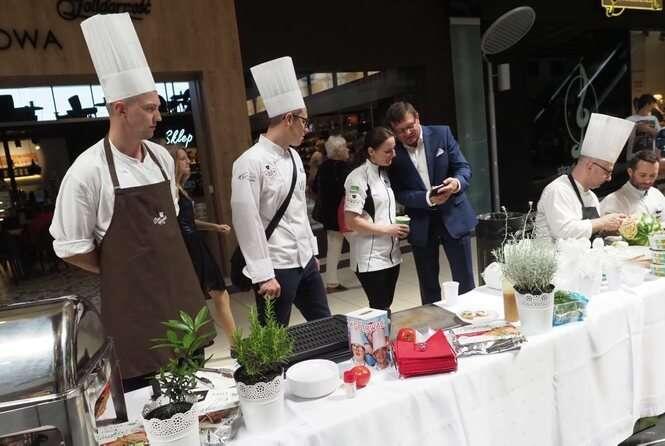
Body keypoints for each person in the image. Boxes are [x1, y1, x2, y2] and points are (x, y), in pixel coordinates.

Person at [49, 13, 205, 391]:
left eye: (157, 106)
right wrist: (122, 267)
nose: (158, 116)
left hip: (181, 301)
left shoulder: (161, 158)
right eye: (149, 108)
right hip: (134, 316)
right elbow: (71, 248)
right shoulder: (87, 172)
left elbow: (165, 224)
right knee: (148, 405)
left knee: (196, 395)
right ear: (120, 109)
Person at [231, 56, 331, 326]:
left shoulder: (295, 157)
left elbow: (298, 209)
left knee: (325, 325)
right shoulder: (248, 162)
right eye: (304, 122)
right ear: (289, 119)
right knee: (274, 339)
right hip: (275, 266)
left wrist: (312, 251)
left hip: (305, 259)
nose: (307, 129)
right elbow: (246, 221)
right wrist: (263, 274)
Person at [386, 101, 476, 304]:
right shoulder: (393, 152)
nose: (407, 133)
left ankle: (470, 317)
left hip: (453, 214)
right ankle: (432, 322)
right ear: (393, 131)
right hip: (421, 220)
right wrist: (427, 198)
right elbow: (399, 192)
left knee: (465, 280)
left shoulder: (441, 133)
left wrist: (456, 183)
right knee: (428, 286)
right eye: (401, 131)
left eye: (410, 126)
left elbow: (463, 168)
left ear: (417, 117)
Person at [170, 146, 237, 343]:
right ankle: (233, 344)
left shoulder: (179, 188)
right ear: (172, 163)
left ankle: (235, 343)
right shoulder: (172, 190)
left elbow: (188, 220)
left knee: (219, 292)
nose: (188, 162)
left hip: (195, 245)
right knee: (213, 294)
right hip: (188, 248)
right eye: (182, 159)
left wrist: (214, 227)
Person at [534, 113, 634, 241]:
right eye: (607, 172)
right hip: (553, 253)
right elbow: (564, 232)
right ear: (590, 165)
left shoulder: (592, 197)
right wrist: (602, 222)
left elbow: (590, 233)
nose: (609, 178)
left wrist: (611, 228)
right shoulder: (558, 190)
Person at [344, 127, 408, 312]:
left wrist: (399, 227)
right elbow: (351, 221)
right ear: (371, 151)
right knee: (379, 308)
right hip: (370, 258)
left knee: (385, 306)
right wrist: (388, 229)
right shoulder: (357, 178)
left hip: (392, 254)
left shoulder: (384, 174)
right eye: (387, 151)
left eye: (394, 149)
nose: (393, 154)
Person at [312, 134, 351, 293]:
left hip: (328, 214)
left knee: (334, 247)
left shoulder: (324, 166)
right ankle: (367, 273)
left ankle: (332, 282)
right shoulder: (343, 167)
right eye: (344, 147)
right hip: (343, 214)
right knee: (358, 243)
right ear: (338, 150)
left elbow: (314, 187)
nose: (348, 149)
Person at [600, 150, 665, 223]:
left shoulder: (657, 194)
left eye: (652, 176)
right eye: (642, 175)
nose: (648, 181)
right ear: (630, 172)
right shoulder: (612, 201)